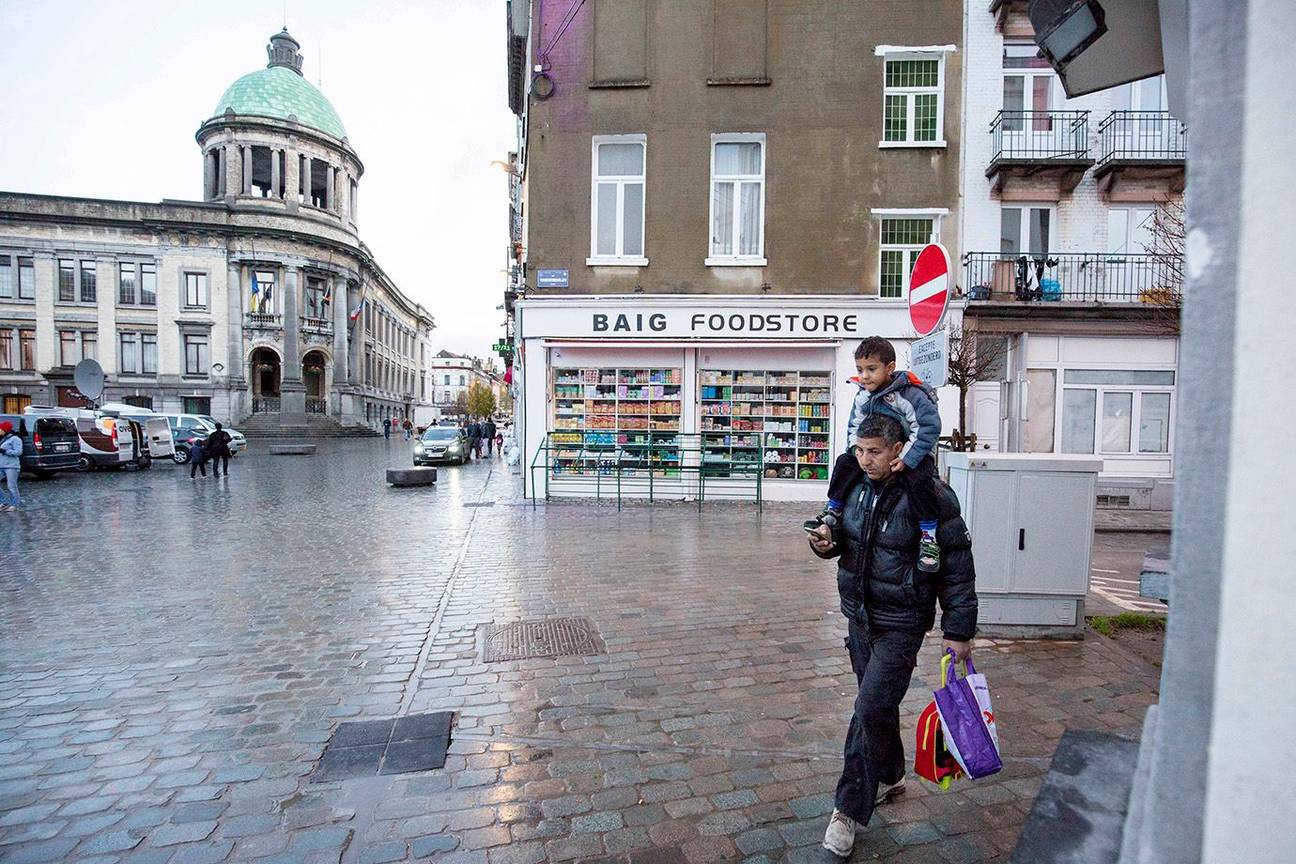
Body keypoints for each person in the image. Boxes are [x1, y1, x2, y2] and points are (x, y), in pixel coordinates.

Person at [807, 415, 977, 858]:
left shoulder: (931, 496)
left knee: (869, 705)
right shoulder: (855, 487)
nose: (865, 460)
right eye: (860, 451)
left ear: (899, 449)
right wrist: (825, 542)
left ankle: (847, 809)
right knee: (876, 706)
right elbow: (844, 540)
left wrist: (958, 629)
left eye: (875, 452)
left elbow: (956, 568)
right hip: (859, 616)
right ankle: (891, 774)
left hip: (903, 622)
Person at [805, 336, 944, 573]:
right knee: (844, 463)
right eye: (860, 370)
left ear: (889, 368)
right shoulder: (862, 395)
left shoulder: (909, 394)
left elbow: (928, 427)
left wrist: (907, 458)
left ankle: (928, 537)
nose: (865, 376)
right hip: (881, 450)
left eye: (871, 369)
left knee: (920, 481)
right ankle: (833, 510)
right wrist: (856, 452)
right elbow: (854, 426)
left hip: (912, 453)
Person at [0, 420, 23, 513]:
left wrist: (5, 451)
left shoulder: (16, 439)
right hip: (1, 465)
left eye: (1, 429)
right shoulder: (1, 439)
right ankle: (3, 502)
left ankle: (15, 504)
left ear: (6, 430)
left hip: (11, 466)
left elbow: (18, 452)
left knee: (11, 486)